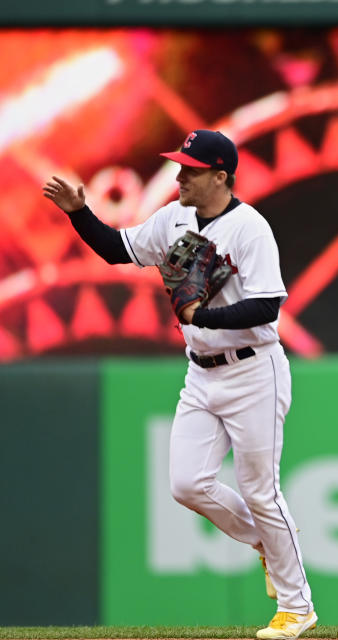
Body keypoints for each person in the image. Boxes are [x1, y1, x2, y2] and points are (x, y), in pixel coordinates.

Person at [43, 130, 316, 639]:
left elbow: (267, 305)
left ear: (220, 175)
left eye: (190, 169)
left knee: (261, 490)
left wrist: (201, 315)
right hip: (201, 371)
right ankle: (267, 542)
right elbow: (115, 249)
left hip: (254, 370)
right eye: (179, 166)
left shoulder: (250, 228)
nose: (179, 176)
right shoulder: (174, 218)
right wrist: (79, 212)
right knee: (187, 483)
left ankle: (298, 608)